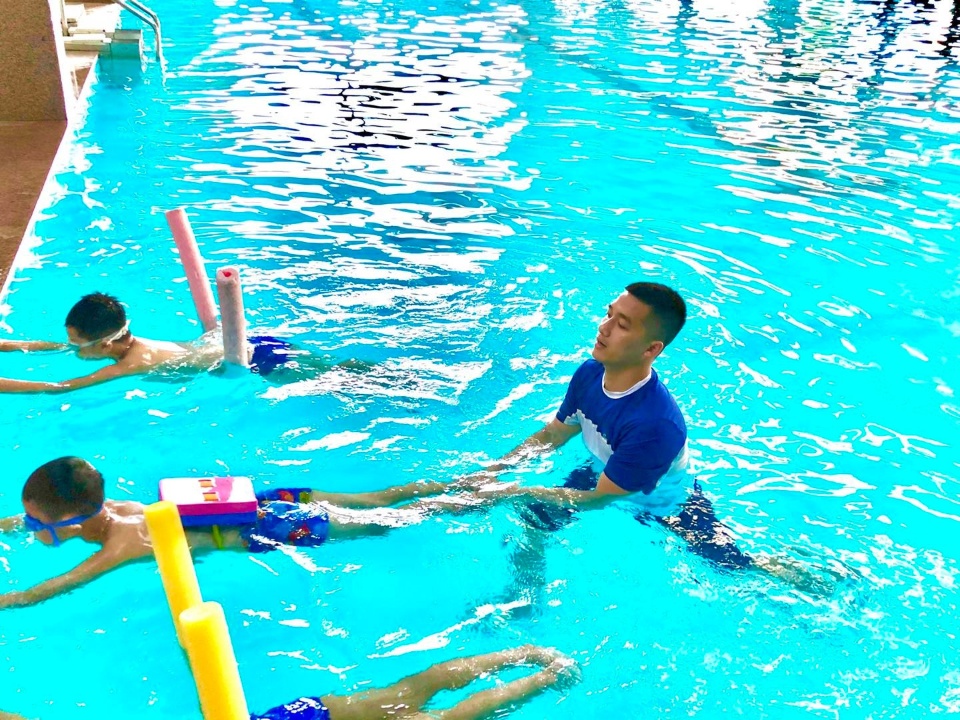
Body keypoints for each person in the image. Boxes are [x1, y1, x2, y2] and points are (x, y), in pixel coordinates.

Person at [0, 456, 454, 609]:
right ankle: (475, 479)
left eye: (36, 523)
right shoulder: (111, 506)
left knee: (400, 518)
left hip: (276, 528)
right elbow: (30, 520)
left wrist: (9, 599)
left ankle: (485, 494)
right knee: (378, 498)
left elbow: (54, 587)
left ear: (71, 523)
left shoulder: (122, 545)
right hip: (262, 499)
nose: (27, 526)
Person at [0, 645, 577, 720]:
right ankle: (532, 656)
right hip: (291, 715)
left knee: (440, 718)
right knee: (409, 693)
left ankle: (547, 675)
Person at [0, 292, 360, 394]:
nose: (73, 349)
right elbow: (55, 347)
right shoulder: (124, 343)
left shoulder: (133, 363)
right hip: (250, 343)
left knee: (345, 380)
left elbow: (60, 387)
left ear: (106, 344)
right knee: (339, 369)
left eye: (78, 345)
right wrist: (7, 345)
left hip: (257, 362)